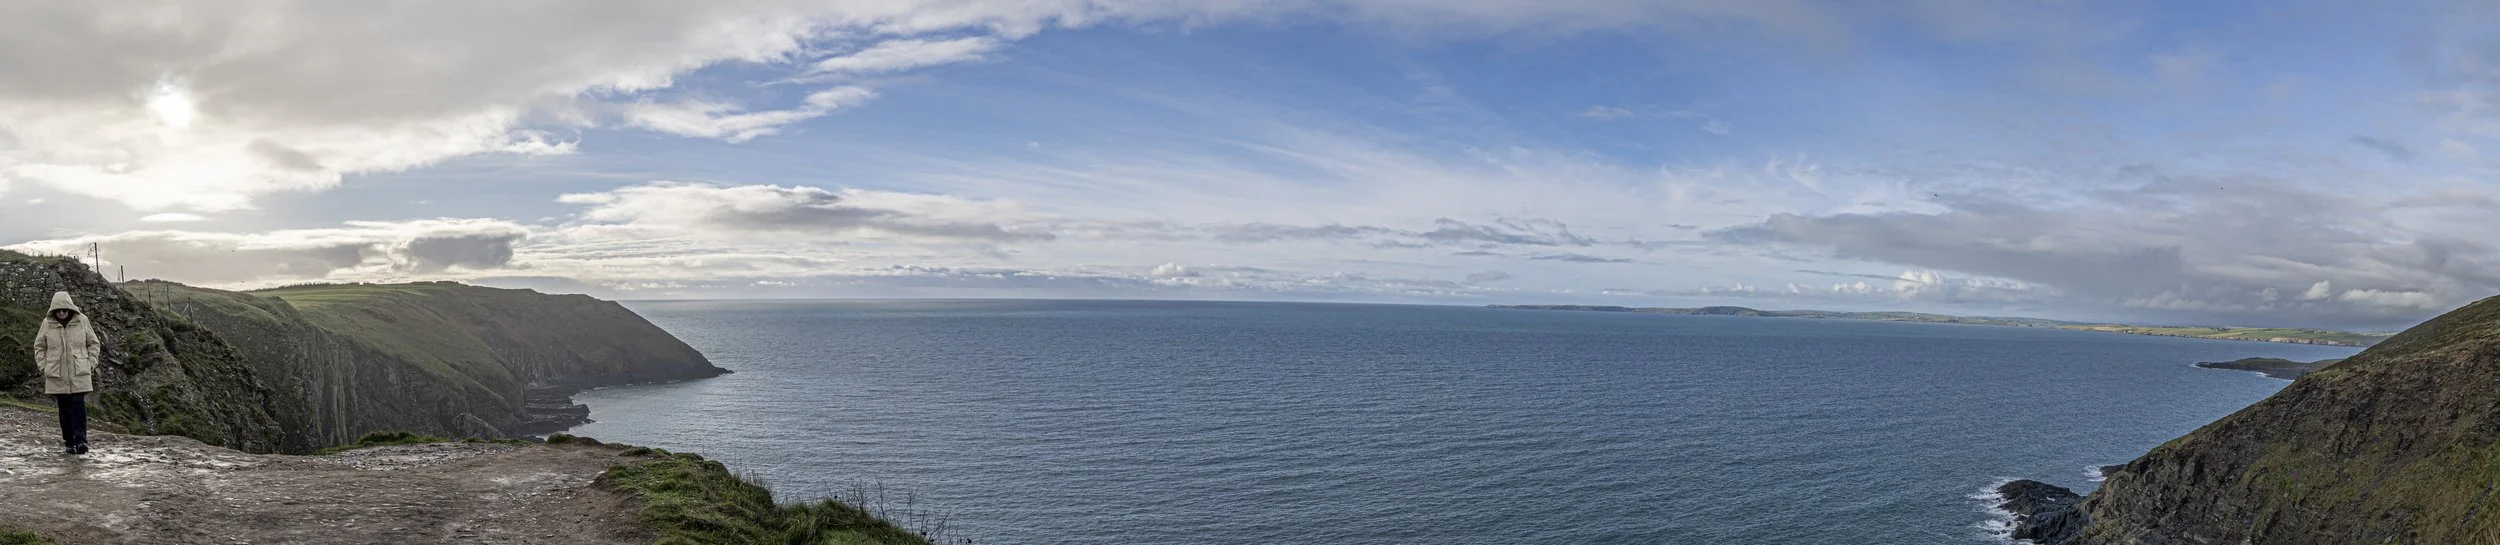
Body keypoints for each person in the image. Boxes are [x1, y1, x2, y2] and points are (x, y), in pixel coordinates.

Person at [32, 291, 97, 455]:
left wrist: (91, 363)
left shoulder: (82, 321)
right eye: (58, 310)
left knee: (78, 406)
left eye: (64, 310)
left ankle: (81, 441)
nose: (61, 313)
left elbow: (93, 344)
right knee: (64, 410)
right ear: (53, 310)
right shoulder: (46, 323)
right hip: (56, 374)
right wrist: (43, 366)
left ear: (70, 309)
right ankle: (69, 442)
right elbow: (39, 347)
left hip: (79, 372)